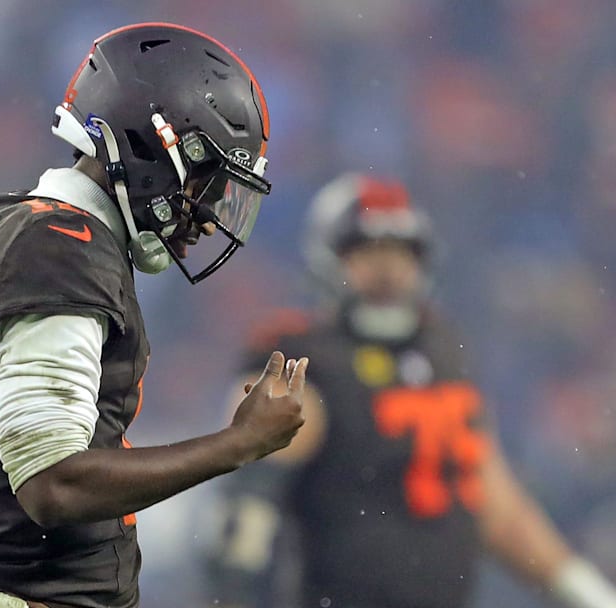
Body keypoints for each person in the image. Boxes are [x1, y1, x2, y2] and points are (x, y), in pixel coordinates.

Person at [0, 22, 307, 608]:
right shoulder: (61, 249)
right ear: (154, 147)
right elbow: (52, 484)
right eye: (207, 180)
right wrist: (237, 444)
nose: (208, 212)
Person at [203, 173, 616, 608]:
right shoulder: (305, 358)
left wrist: (581, 588)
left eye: (400, 252)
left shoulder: (442, 351)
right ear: (328, 257)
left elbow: (491, 499)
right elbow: (244, 509)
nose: (387, 270)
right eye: (366, 250)